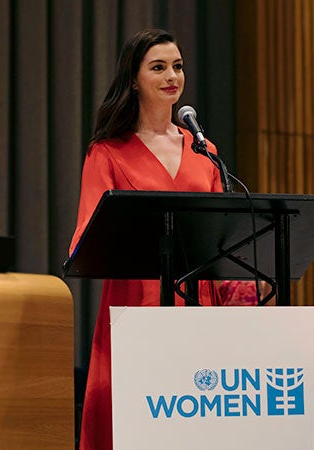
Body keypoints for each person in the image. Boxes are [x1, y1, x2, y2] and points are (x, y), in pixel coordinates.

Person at [69, 29, 225, 450]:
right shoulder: (107, 152)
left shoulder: (203, 150)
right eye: (158, 67)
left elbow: (223, 241)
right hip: (138, 308)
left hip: (200, 311)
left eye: (177, 66)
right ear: (134, 78)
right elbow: (85, 239)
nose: (172, 75)